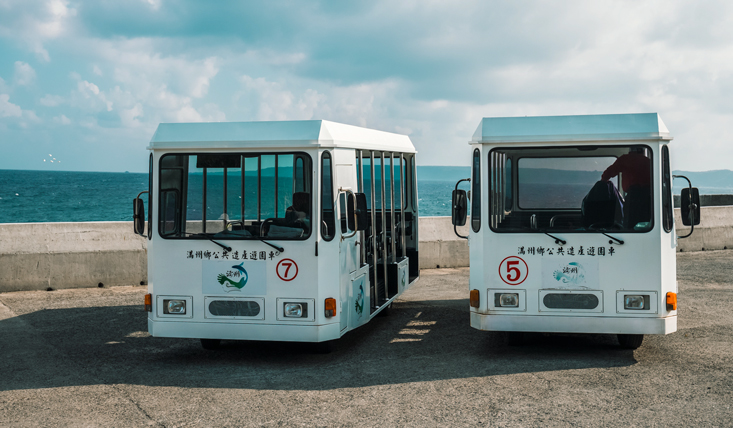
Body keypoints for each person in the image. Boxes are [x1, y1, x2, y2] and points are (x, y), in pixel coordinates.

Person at [601, 147, 651, 229]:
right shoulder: (648, 161)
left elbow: (608, 173)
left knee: (630, 223)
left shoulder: (625, 159)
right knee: (645, 221)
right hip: (648, 197)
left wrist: (603, 183)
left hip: (633, 197)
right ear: (642, 150)